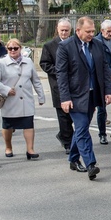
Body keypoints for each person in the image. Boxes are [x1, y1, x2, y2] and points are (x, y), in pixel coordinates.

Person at [56, 16, 111, 180]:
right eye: (88, 31)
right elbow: (61, 74)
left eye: (93, 31)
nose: (91, 34)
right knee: (81, 128)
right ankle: (90, 164)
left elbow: (104, 69)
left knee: (81, 129)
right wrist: (65, 98)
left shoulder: (97, 45)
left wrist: (107, 91)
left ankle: (73, 159)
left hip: (92, 94)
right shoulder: (65, 47)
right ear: (78, 30)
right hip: (75, 96)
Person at [0, 38, 45, 160]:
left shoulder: (28, 62)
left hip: (26, 99)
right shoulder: (1, 63)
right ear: (7, 49)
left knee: (28, 124)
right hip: (9, 101)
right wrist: (5, 90)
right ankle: (8, 147)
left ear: (20, 49)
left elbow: (36, 80)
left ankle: (30, 149)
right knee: (8, 126)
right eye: (10, 48)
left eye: (15, 48)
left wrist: (41, 95)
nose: (13, 50)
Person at [40, 19, 74, 154]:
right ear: (57, 30)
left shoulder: (74, 43)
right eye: (62, 30)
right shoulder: (49, 46)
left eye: (67, 30)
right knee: (63, 115)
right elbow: (44, 64)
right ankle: (68, 142)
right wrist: (59, 71)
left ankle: (63, 134)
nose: (64, 32)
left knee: (73, 115)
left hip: (74, 85)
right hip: (58, 85)